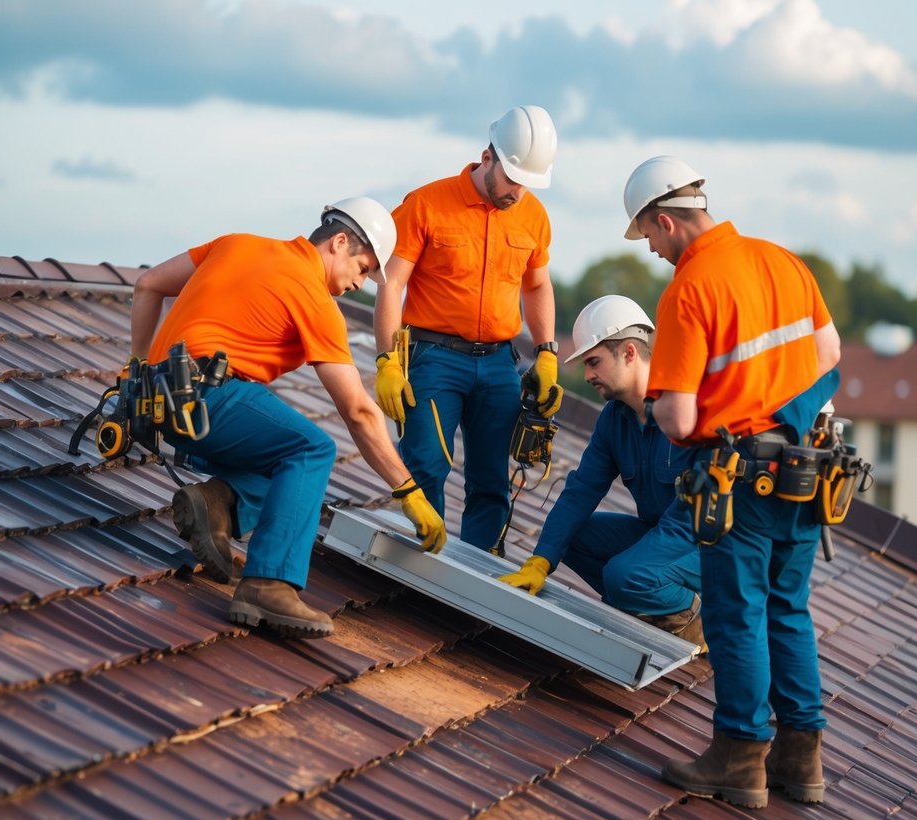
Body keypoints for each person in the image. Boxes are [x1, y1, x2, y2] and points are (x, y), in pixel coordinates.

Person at [622, 156, 841, 809]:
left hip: (739, 477)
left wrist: (674, 414)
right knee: (787, 608)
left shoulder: (690, 289)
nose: (655, 252)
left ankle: (739, 759)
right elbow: (828, 356)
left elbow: (679, 415)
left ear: (666, 219)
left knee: (733, 614)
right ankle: (802, 762)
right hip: (804, 469)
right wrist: (780, 412)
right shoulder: (783, 261)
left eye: (650, 238)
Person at [129, 197, 446, 640]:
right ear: (338, 242)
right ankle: (268, 584)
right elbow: (356, 410)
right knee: (313, 449)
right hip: (207, 400)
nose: (361, 283)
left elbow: (147, 285)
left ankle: (217, 505)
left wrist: (136, 373)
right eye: (362, 267)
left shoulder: (236, 243)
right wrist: (407, 489)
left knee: (284, 457)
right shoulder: (312, 295)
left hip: (161, 403)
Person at [373, 105, 563, 551]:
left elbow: (537, 286)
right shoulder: (425, 204)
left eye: (529, 183)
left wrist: (548, 352)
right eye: (513, 178)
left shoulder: (533, 215)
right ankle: (424, 572)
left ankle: (479, 571)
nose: (518, 192)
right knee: (427, 467)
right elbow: (391, 283)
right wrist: (386, 360)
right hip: (434, 359)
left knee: (491, 479)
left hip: (499, 362)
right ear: (487, 157)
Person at [497, 295, 705, 649]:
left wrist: (633, 571)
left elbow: (689, 518)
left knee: (625, 575)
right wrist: (541, 561)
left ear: (628, 353)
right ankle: (647, 604)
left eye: (594, 362)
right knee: (572, 537)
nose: (588, 374)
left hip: (712, 546)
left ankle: (702, 623)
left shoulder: (688, 410)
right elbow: (582, 491)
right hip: (662, 536)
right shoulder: (614, 418)